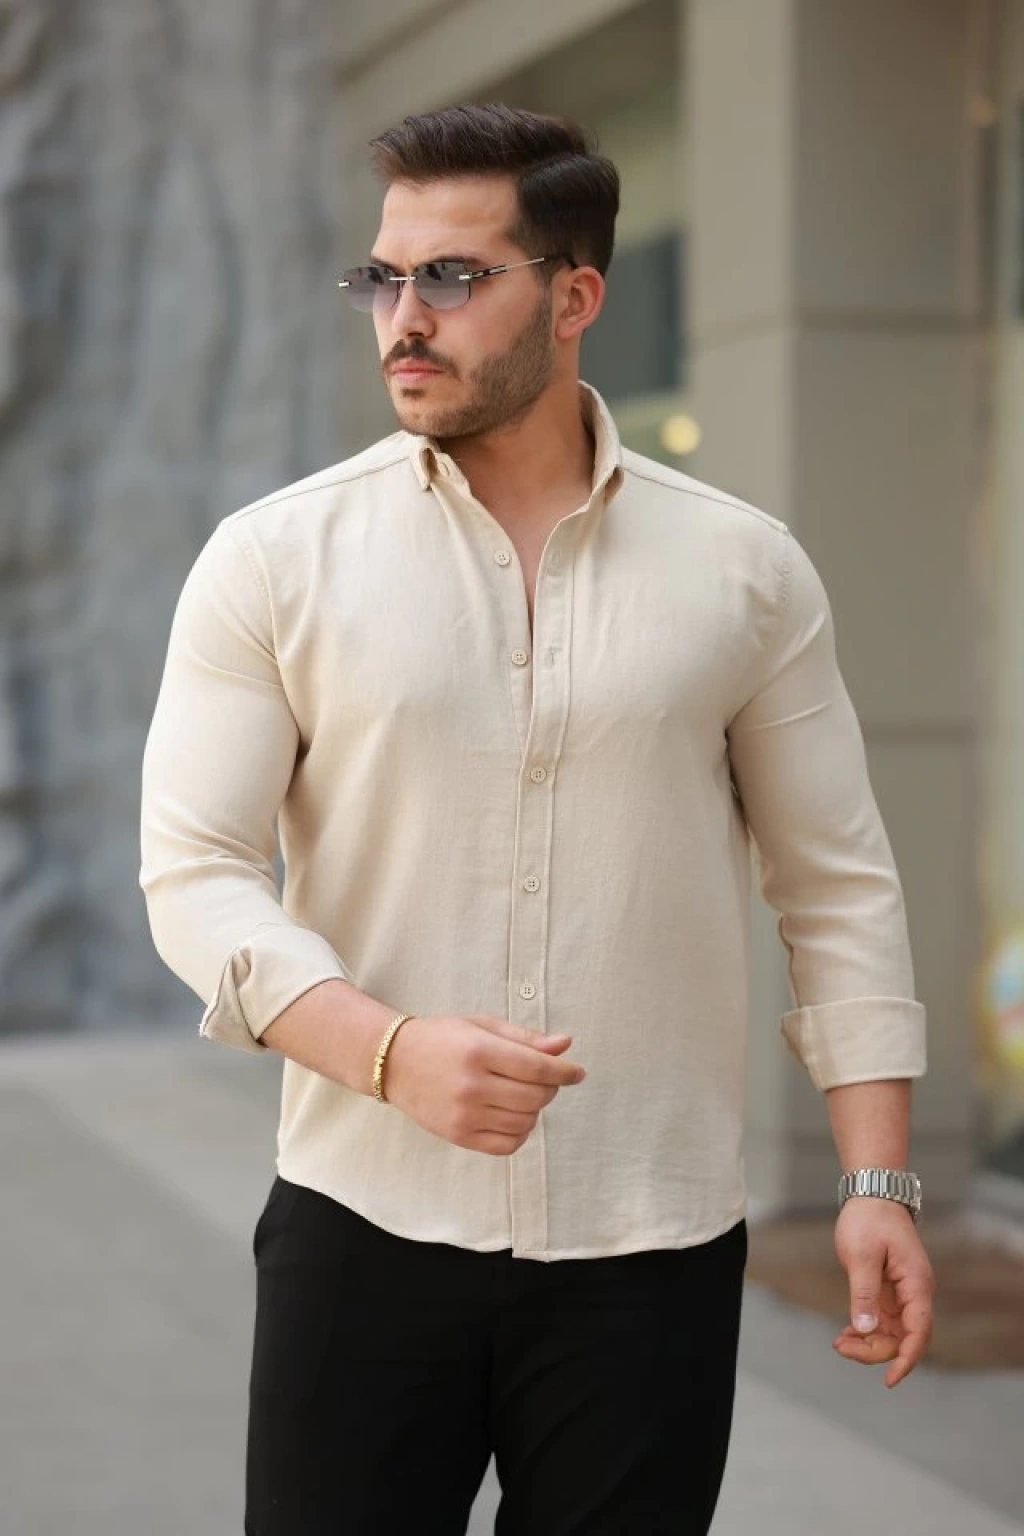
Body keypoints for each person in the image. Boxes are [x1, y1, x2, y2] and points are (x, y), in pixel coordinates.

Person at [139, 102, 936, 1536]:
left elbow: (836, 885)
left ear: (575, 300)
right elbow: (195, 872)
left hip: (653, 1244)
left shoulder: (746, 571)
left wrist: (877, 1177)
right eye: (384, 277)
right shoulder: (273, 560)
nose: (404, 318)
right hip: (363, 1223)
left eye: (453, 277)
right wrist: (386, 1053)